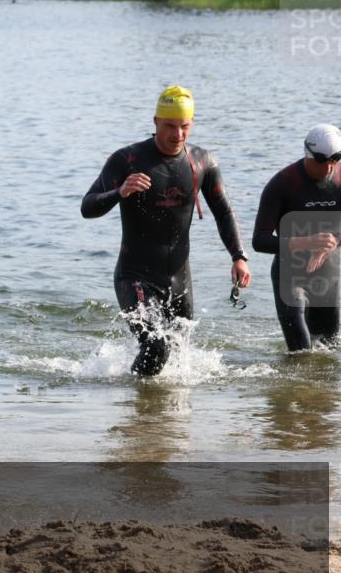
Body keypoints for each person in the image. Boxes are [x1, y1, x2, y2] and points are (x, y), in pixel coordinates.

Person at [81, 86, 251, 376]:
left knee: (177, 360)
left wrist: (239, 256)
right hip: (134, 277)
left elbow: (223, 211)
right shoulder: (127, 160)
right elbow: (88, 207)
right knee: (156, 348)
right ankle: (138, 414)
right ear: (155, 121)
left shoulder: (202, 162)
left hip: (179, 278)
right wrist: (120, 192)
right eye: (170, 126)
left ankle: (162, 418)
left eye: (185, 126)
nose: (178, 134)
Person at [253, 124, 341, 351]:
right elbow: (260, 240)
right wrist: (305, 242)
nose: (328, 167)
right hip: (289, 276)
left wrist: (336, 240)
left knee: (329, 353)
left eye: (335, 160)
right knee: (301, 355)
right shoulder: (283, 184)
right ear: (307, 153)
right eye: (322, 161)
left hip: (327, 277)